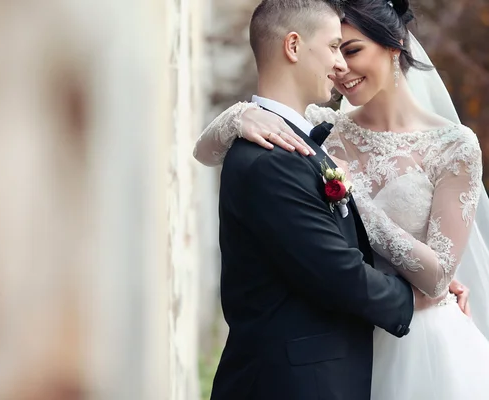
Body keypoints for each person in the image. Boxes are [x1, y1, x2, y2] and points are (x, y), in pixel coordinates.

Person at [195, 0, 489, 398]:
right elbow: (206, 152)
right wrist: (239, 116)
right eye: (335, 50)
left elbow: (437, 278)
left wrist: (358, 201)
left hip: (418, 337)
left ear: (394, 45)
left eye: (351, 51)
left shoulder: (454, 145)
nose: (342, 68)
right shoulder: (322, 128)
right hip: (344, 333)